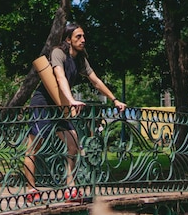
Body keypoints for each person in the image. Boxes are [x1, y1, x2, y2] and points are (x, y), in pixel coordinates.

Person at [24, 23, 127, 202]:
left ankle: (69, 188)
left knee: (73, 144)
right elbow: (60, 76)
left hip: (61, 104)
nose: (83, 40)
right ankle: (31, 189)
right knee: (34, 147)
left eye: (83, 36)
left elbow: (95, 81)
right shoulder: (58, 53)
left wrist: (114, 99)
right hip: (44, 104)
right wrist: (71, 100)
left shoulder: (80, 59)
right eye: (78, 36)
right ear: (68, 39)